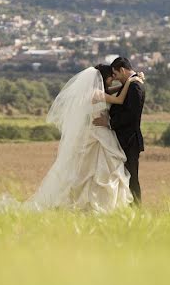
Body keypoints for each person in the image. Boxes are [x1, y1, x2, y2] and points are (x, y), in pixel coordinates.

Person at [25, 65, 143, 212]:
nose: (113, 80)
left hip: (99, 132)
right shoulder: (97, 94)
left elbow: (112, 92)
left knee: (95, 169)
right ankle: (98, 203)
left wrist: (127, 82)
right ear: (102, 78)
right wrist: (130, 82)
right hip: (99, 133)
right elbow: (118, 100)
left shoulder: (95, 92)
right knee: (99, 169)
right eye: (111, 77)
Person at [93, 57, 145, 205]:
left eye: (115, 74)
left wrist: (108, 122)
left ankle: (136, 207)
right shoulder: (130, 84)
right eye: (112, 76)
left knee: (131, 176)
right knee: (122, 175)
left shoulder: (134, 86)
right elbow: (114, 96)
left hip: (129, 140)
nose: (114, 79)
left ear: (122, 70)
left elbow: (131, 116)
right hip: (120, 138)